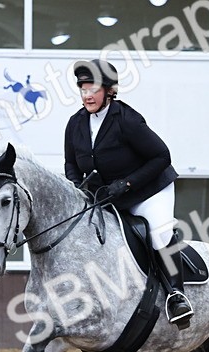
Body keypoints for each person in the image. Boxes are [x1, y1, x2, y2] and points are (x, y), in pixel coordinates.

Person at [63, 59, 194, 328]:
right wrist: (79, 188)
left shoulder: (127, 120)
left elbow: (161, 156)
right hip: (108, 197)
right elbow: (70, 164)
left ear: (109, 91)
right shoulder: (75, 124)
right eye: (83, 89)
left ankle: (176, 295)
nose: (87, 95)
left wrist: (128, 184)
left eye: (93, 89)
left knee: (158, 234)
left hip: (148, 190)